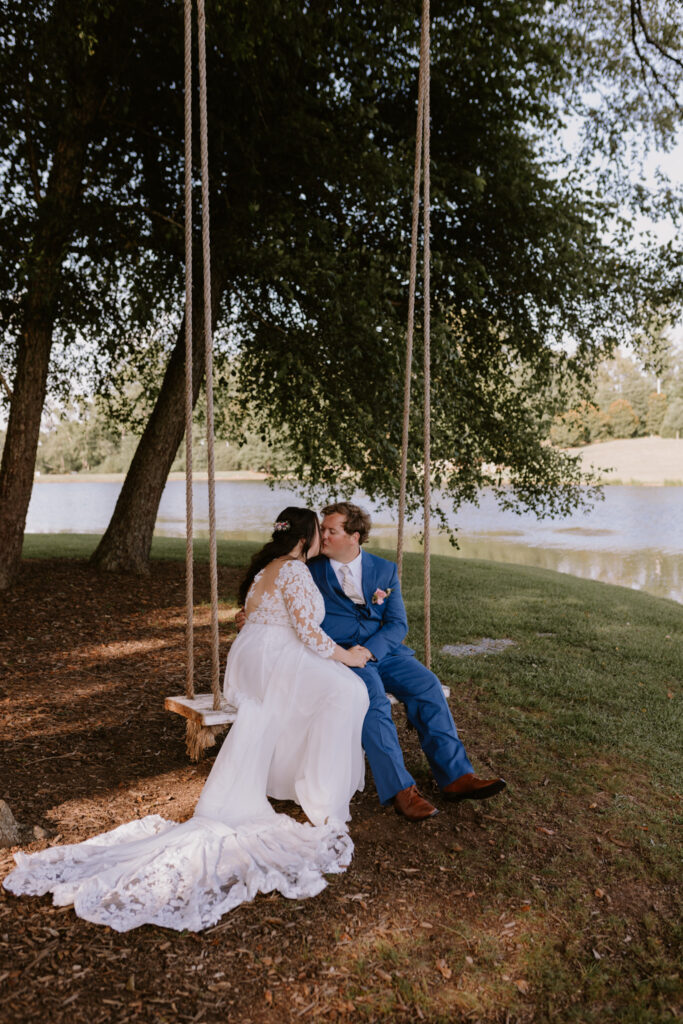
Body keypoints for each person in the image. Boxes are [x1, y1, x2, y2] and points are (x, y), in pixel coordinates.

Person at [3, 508, 369, 932]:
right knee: (349, 690)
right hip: (277, 659)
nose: (324, 540)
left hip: (251, 660)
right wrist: (349, 657)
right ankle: (324, 796)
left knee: (326, 693)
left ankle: (295, 777)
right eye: (318, 535)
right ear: (304, 539)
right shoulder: (295, 572)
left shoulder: (265, 568)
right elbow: (308, 633)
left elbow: (257, 619)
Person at [308, 502, 506, 821]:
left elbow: (398, 624)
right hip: (341, 655)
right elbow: (283, 594)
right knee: (373, 700)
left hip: (383, 652)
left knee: (427, 684)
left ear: (354, 536)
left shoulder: (384, 570)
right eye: (323, 529)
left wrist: (371, 650)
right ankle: (401, 790)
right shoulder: (311, 568)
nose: (323, 535)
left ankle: (457, 777)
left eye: (331, 530)